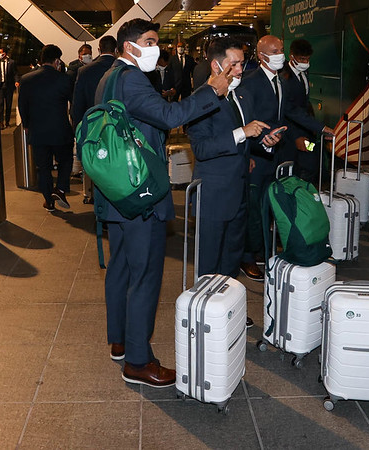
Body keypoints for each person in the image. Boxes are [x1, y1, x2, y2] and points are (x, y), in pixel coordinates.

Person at [94, 18, 230, 388]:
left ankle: (119, 340)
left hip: (115, 191)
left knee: (121, 268)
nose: (156, 47)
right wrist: (211, 91)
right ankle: (138, 361)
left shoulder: (108, 78)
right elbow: (172, 116)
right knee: (145, 276)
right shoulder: (133, 78)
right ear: (129, 46)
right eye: (150, 40)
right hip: (138, 193)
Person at [187, 37, 280, 327]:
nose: (240, 70)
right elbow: (201, 148)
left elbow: (248, 139)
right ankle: (205, 317)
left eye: (242, 63)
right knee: (209, 259)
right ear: (216, 66)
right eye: (234, 64)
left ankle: (228, 310)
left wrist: (265, 142)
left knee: (231, 256)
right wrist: (242, 132)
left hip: (239, 187)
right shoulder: (201, 99)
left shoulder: (242, 96)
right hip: (212, 192)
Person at [239, 35, 333, 281]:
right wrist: (252, 149)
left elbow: (291, 111)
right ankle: (248, 256)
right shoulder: (250, 83)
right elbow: (245, 121)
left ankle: (265, 248)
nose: (280, 53)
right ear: (262, 56)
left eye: (281, 49)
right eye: (275, 50)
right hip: (257, 155)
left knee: (269, 204)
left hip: (276, 154)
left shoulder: (280, 81)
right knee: (254, 208)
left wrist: (321, 129)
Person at [18, 44, 73, 212]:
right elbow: (74, 104)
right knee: (66, 160)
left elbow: (22, 106)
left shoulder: (26, 79)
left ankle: (49, 201)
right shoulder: (64, 79)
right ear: (57, 60)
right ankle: (61, 189)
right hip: (60, 131)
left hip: (37, 131)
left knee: (44, 168)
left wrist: (27, 125)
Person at [281, 38, 318, 184]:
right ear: (292, 56)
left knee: (312, 161)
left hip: (306, 132)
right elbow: (286, 111)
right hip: (293, 136)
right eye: (302, 59)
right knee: (298, 168)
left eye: (307, 59)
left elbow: (304, 103)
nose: (305, 62)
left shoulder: (304, 73)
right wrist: (296, 136)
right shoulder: (284, 78)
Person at [71, 35, 117, 130]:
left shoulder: (84, 71)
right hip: (117, 125)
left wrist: (78, 130)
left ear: (99, 50)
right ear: (116, 50)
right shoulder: (122, 69)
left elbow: (78, 105)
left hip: (92, 125)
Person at [0, 47, 19, 128]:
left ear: (5, 53)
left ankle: (7, 122)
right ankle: (1, 122)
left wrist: (17, 81)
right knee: (0, 104)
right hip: (0, 86)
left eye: (1, 53)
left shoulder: (11, 62)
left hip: (9, 86)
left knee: (8, 104)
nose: (0, 54)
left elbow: (15, 73)